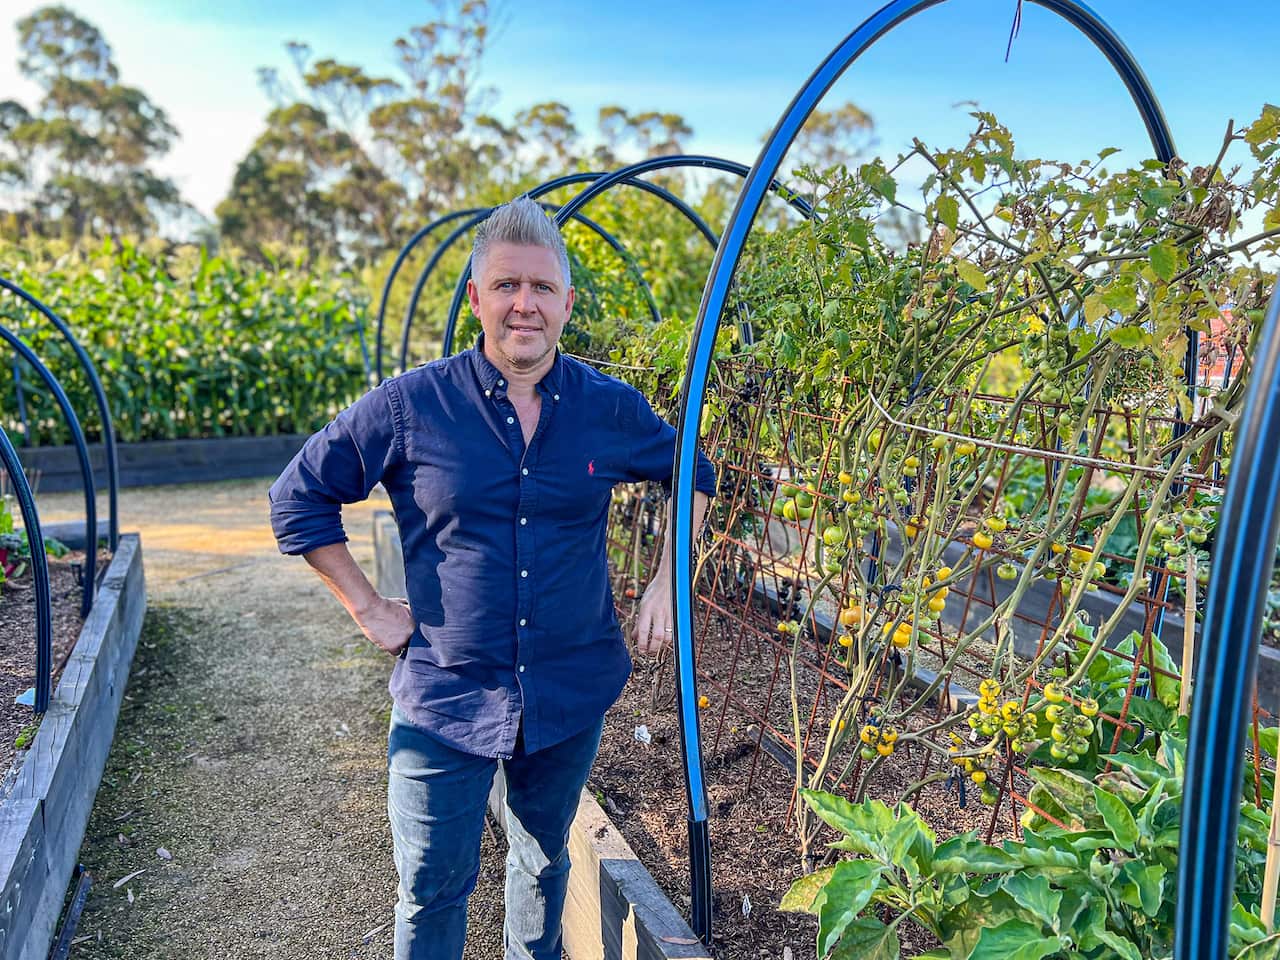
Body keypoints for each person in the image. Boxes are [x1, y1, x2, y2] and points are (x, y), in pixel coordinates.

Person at [268, 196, 716, 960]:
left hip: (568, 693)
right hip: (445, 694)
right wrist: (367, 607)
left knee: (544, 861)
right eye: (507, 285)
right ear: (477, 298)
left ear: (567, 304)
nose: (524, 304)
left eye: (542, 287)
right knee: (431, 887)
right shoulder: (412, 405)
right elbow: (298, 495)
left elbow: (695, 474)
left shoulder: (608, 410)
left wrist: (663, 585)